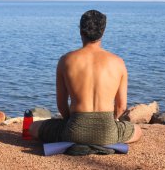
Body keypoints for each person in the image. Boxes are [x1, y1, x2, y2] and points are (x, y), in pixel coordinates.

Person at [29, 10, 142, 145]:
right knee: (137, 130)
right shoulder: (118, 62)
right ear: (103, 32)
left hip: (74, 132)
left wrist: (70, 122)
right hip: (107, 132)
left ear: (81, 31)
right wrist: (112, 121)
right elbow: (121, 107)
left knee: (33, 127)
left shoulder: (66, 61)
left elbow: (61, 105)